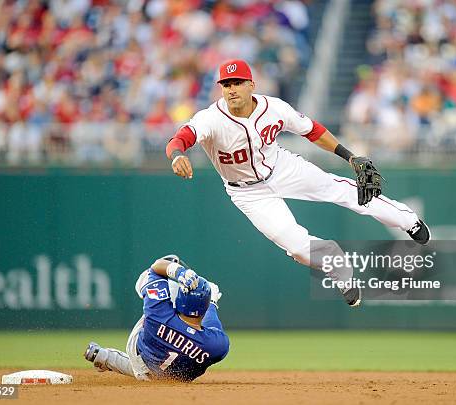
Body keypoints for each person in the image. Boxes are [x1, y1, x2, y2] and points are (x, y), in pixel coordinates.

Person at [166, 60, 430, 307]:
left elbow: (312, 130)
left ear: (251, 85)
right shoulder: (210, 119)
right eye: (226, 84)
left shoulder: (275, 108)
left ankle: (408, 220)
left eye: (237, 82)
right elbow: (179, 139)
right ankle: (338, 265)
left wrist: (349, 157)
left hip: (282, 167)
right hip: (247, 193)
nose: (231, 89)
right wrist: (177, 155)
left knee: (341, 190)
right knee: (297, 248)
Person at [84, 255, 229, 382]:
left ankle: (103, 356)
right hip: (172, 377)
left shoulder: (158, 314)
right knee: (160, 369)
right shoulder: (218, 346)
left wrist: (179, 272)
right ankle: (105, 357)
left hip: (140, 355)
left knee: (169, 271)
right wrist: (211, 303)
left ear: (180, 300)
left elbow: (155, 268)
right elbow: (212, 325)